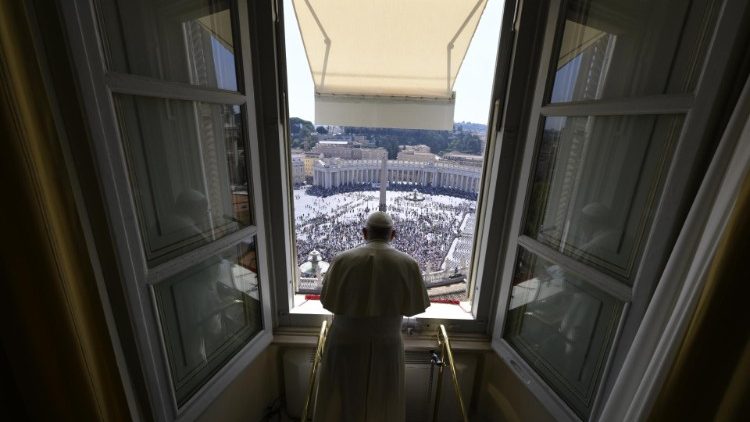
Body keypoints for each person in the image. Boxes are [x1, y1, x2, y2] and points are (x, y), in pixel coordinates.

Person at [314, 211, 430, 422]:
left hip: (343, 344)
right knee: (384, 402)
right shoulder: (408, 264)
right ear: (393, 234)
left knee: (339, 402)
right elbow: (415, 306)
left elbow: (326, 301)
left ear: (364, 233)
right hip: (387, 345)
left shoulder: (342, 260)